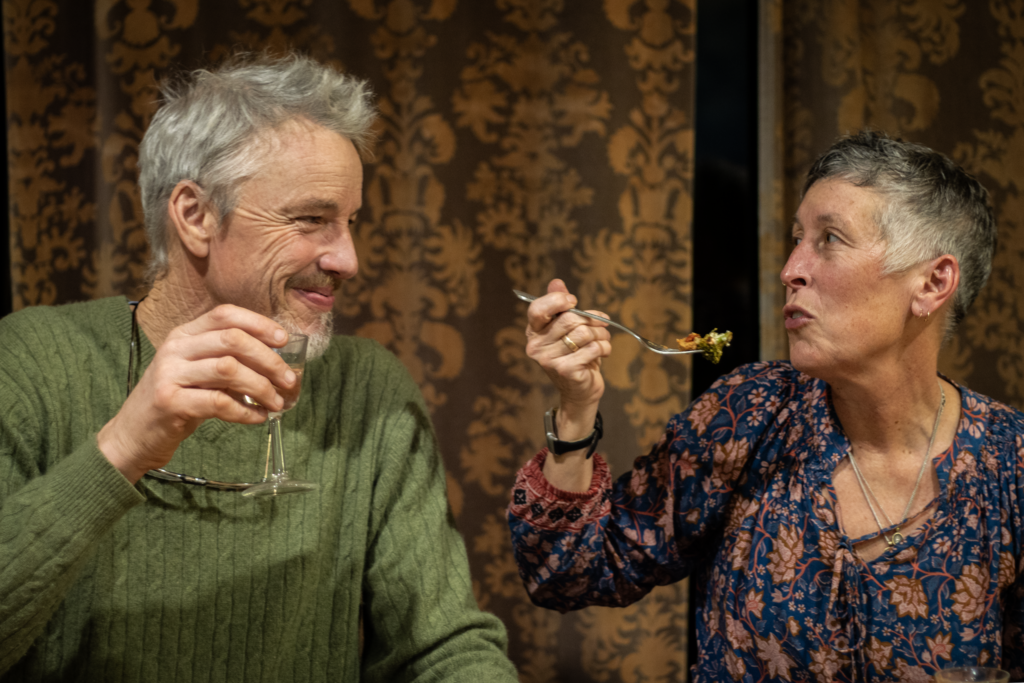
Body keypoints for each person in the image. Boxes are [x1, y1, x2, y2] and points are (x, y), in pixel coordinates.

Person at [0, 53, 518, 682]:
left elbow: (442, 648)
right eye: (311, 219)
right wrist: (125, 447)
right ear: (195, 216)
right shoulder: (30, 360)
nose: (348, 258)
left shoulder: (369, 392)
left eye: (349, 222)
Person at [508, 131, 1024, 682]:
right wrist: (576, 409)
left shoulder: (1010, 465)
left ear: (933, 282)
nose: (790, 269)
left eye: (829, 239)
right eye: (797, 238)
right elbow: (568, 573)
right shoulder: (750, 414)